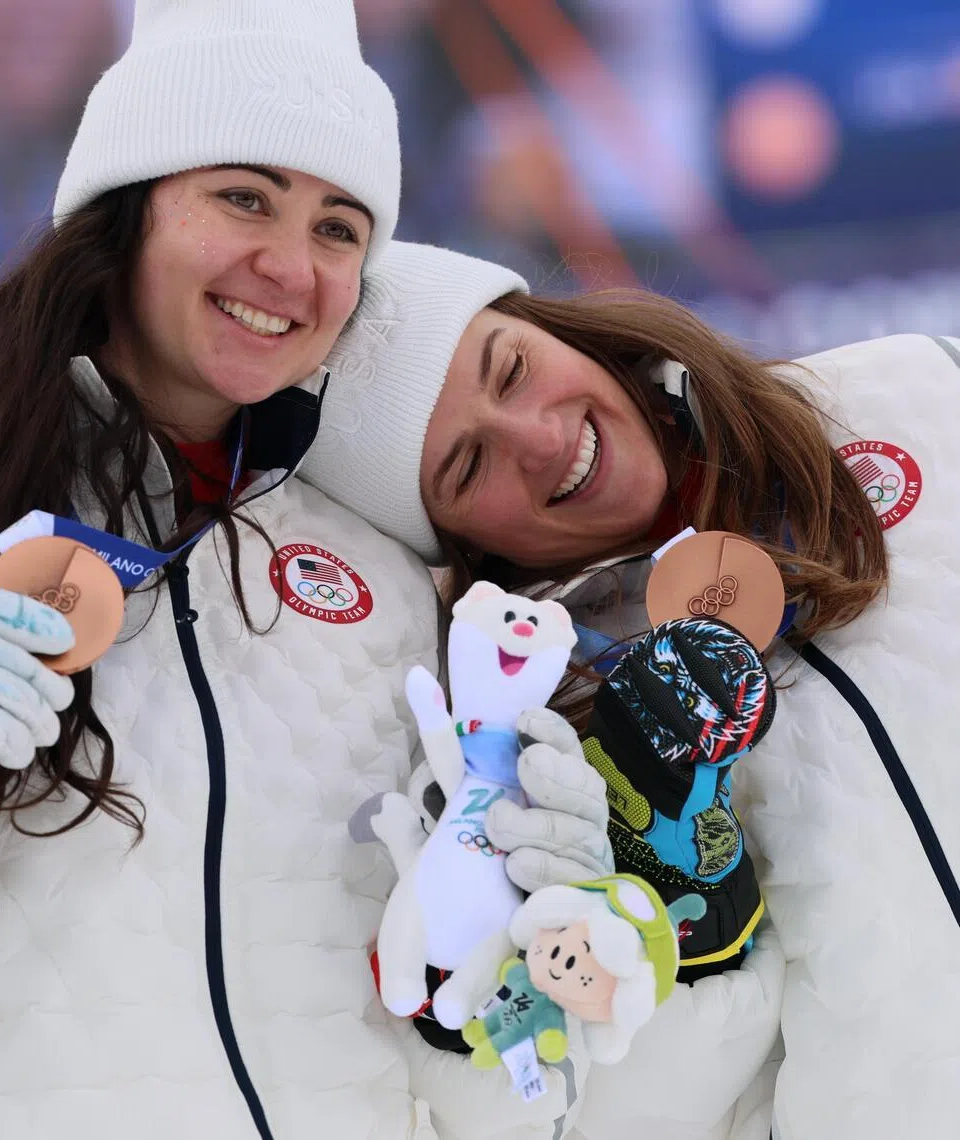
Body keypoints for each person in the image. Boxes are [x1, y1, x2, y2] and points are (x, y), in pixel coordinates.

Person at [0, 6, 620, 1137]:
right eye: (244, 196)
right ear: (129, 207)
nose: (290, 267)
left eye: (340, 228)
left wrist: (511, 954)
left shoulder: (380, 585)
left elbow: (465, 1087)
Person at [303, 238, 960, 1140]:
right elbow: (655, 1105)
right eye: (468, 466)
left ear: (557, 329)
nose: (540, 439)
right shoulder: (544, 745)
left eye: (514, 368)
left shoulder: (915, 391)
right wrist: (684, 899)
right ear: (456, 545)